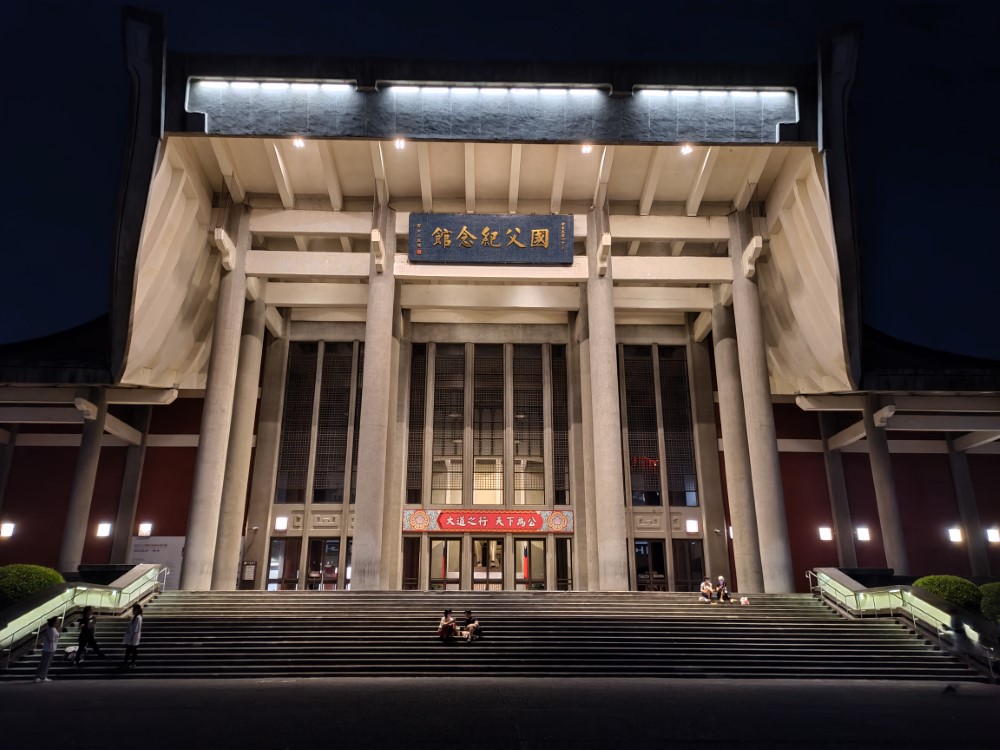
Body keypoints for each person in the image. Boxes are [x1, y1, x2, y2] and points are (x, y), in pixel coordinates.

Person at [34, 617, 60, 682]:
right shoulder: (52, 629)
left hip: (49, 648)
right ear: (54, 622)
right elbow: (51, 639)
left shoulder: (51, 629)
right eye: (57, 621)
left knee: (45, 663)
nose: (58, 622)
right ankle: (40, 676)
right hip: (49, 649)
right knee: (45, 663)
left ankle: (42, 676)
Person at [121, 603, 143, 669]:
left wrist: (131, 637)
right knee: (130, 651)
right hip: (132, 637)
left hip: (133, 638)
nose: (132, 611)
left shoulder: (138, 618)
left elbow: (136, 629)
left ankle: (130, 663)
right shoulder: (136, 617)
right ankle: (128, 662)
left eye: (133, 609)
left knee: (131, 651)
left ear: (137, 610)